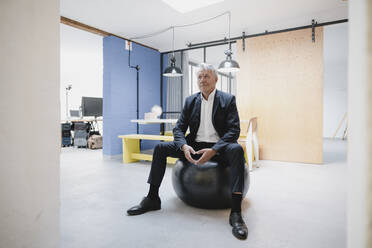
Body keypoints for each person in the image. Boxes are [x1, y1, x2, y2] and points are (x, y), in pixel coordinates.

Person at [127, 63, 248, 240]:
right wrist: (184, 146)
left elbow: (233, 131)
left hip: (219, 146)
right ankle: (152, 198)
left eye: (206, 76)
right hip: (194, 145)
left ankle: (236, 212)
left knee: (237, 150)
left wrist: (214, 150)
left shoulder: (227, 99)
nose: (202, 80)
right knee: (160, 148)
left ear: (215, 79)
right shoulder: (191, 101)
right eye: (199, 76)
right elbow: (178, 129)